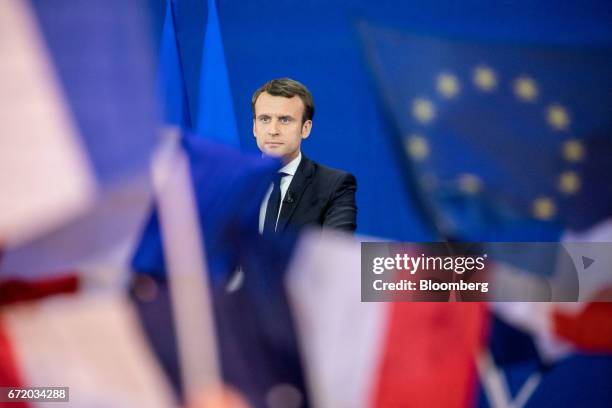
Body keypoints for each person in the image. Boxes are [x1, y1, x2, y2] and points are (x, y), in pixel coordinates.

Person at [252, 78, 357, 235]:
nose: (273, 130)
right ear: (254, 127)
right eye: (265, 119)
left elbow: (336, 253)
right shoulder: (231, 182)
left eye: (285, 120)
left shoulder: (334, 186)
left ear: (305, 128)